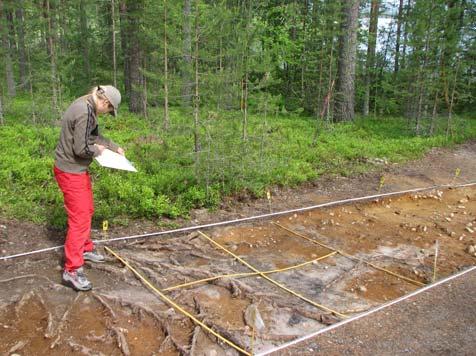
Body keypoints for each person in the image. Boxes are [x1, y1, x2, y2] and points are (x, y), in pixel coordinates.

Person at [54, 85, 124, 291]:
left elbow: (93, 136)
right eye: (109, 110)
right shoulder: (84, 111)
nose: (108, 113)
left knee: (87, 210)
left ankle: (84, 248)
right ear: (105, 102)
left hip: (77, 170)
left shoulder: (88, 105)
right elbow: (82, 148)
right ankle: (72, 270)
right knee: (80, 219)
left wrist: (113, 146)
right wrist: (97, 151)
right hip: (70, 171)